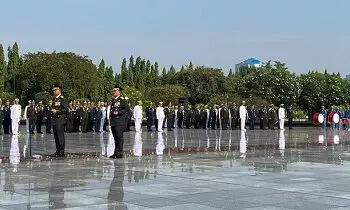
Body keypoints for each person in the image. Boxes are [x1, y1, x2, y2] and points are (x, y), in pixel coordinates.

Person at [109, 86, 129, 159]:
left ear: (119, 92)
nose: (113, 92)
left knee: (119, 138)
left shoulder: (122, 100)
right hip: (114, 122)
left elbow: (127, 108)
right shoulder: (113, 100)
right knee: (115, 138)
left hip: (119, 122)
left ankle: (119, 153)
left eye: (115, 91)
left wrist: (119, 112)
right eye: (113, 91)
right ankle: (115, 152)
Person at [51, 85, 68, 157]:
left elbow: (65, 109)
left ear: (59, 90)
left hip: (60, 119)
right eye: (53, 90)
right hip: (55, 119)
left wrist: (57, 111)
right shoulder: (54, 99)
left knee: (60, 136)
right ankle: (57, 150)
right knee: (56, 136)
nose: (54, 91)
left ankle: (61, 151)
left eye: (55, 90)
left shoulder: (62, 99)